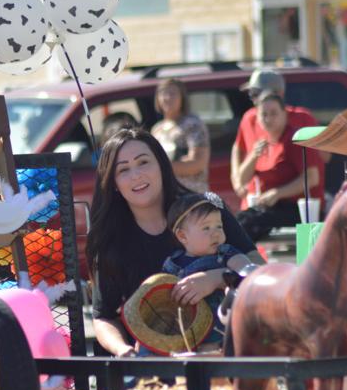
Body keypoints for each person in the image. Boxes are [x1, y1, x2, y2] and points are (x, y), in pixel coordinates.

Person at [86, 128, 261, 357]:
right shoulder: (110, 241)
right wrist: (124, 351)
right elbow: (103, 317)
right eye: (124, 170)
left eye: (143, 162)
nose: (136, 175)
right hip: (152, 367)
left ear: (162, 165)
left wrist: (217, 279)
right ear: (114, 183)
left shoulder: (207, 210)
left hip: (223, 352)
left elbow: (260, 274)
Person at [162, 192, 253, 346]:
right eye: (206, 228)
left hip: (222, 333)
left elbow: (248, 271)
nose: (216, 232)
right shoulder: (173, 264)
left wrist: (221, 278)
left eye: (219, 226)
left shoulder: (225, 254)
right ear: (183, 236)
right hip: (186, 335)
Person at [231, 68, 327, 209]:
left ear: (279, 95)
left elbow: (324, 158)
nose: (253, 99)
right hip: (256, 202)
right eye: (251, 94)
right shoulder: (250, 117)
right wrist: (236, 180)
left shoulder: (303, 119)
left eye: (256, 94)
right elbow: (237, 148)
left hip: (297, 205)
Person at [232, 92, 322, 241]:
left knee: (248, 224)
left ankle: (243, 262)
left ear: (284, 115)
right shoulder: (262, 142)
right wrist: (253, 156)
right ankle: (244, 262)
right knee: (236, 221)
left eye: (273, 113)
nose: (268, 119)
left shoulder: (295, 139)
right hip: (269, 208)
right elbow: (242, 180)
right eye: (263, 115)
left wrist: (278, 193)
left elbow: (312, 178)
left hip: (298, 208)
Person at [150, 78, 210, 193]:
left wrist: (161, 166)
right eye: (163, 93)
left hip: (191, 194)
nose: (167, 98)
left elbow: (198, 164)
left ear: (182, 97)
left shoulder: (193, 125)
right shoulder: (156, 130)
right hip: (166, 195)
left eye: (172, 93)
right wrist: (180, 163)